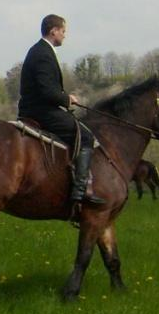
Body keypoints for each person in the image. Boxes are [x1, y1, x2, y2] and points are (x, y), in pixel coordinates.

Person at [17, 13, 105, 206]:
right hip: (41, 111)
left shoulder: (40, 51)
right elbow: (47, 90)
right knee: (86, 137)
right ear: (53, 31)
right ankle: (80, 191)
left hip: (40, 108)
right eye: (63, 31)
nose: (65, 35)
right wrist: (66, 99)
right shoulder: (42, 53)